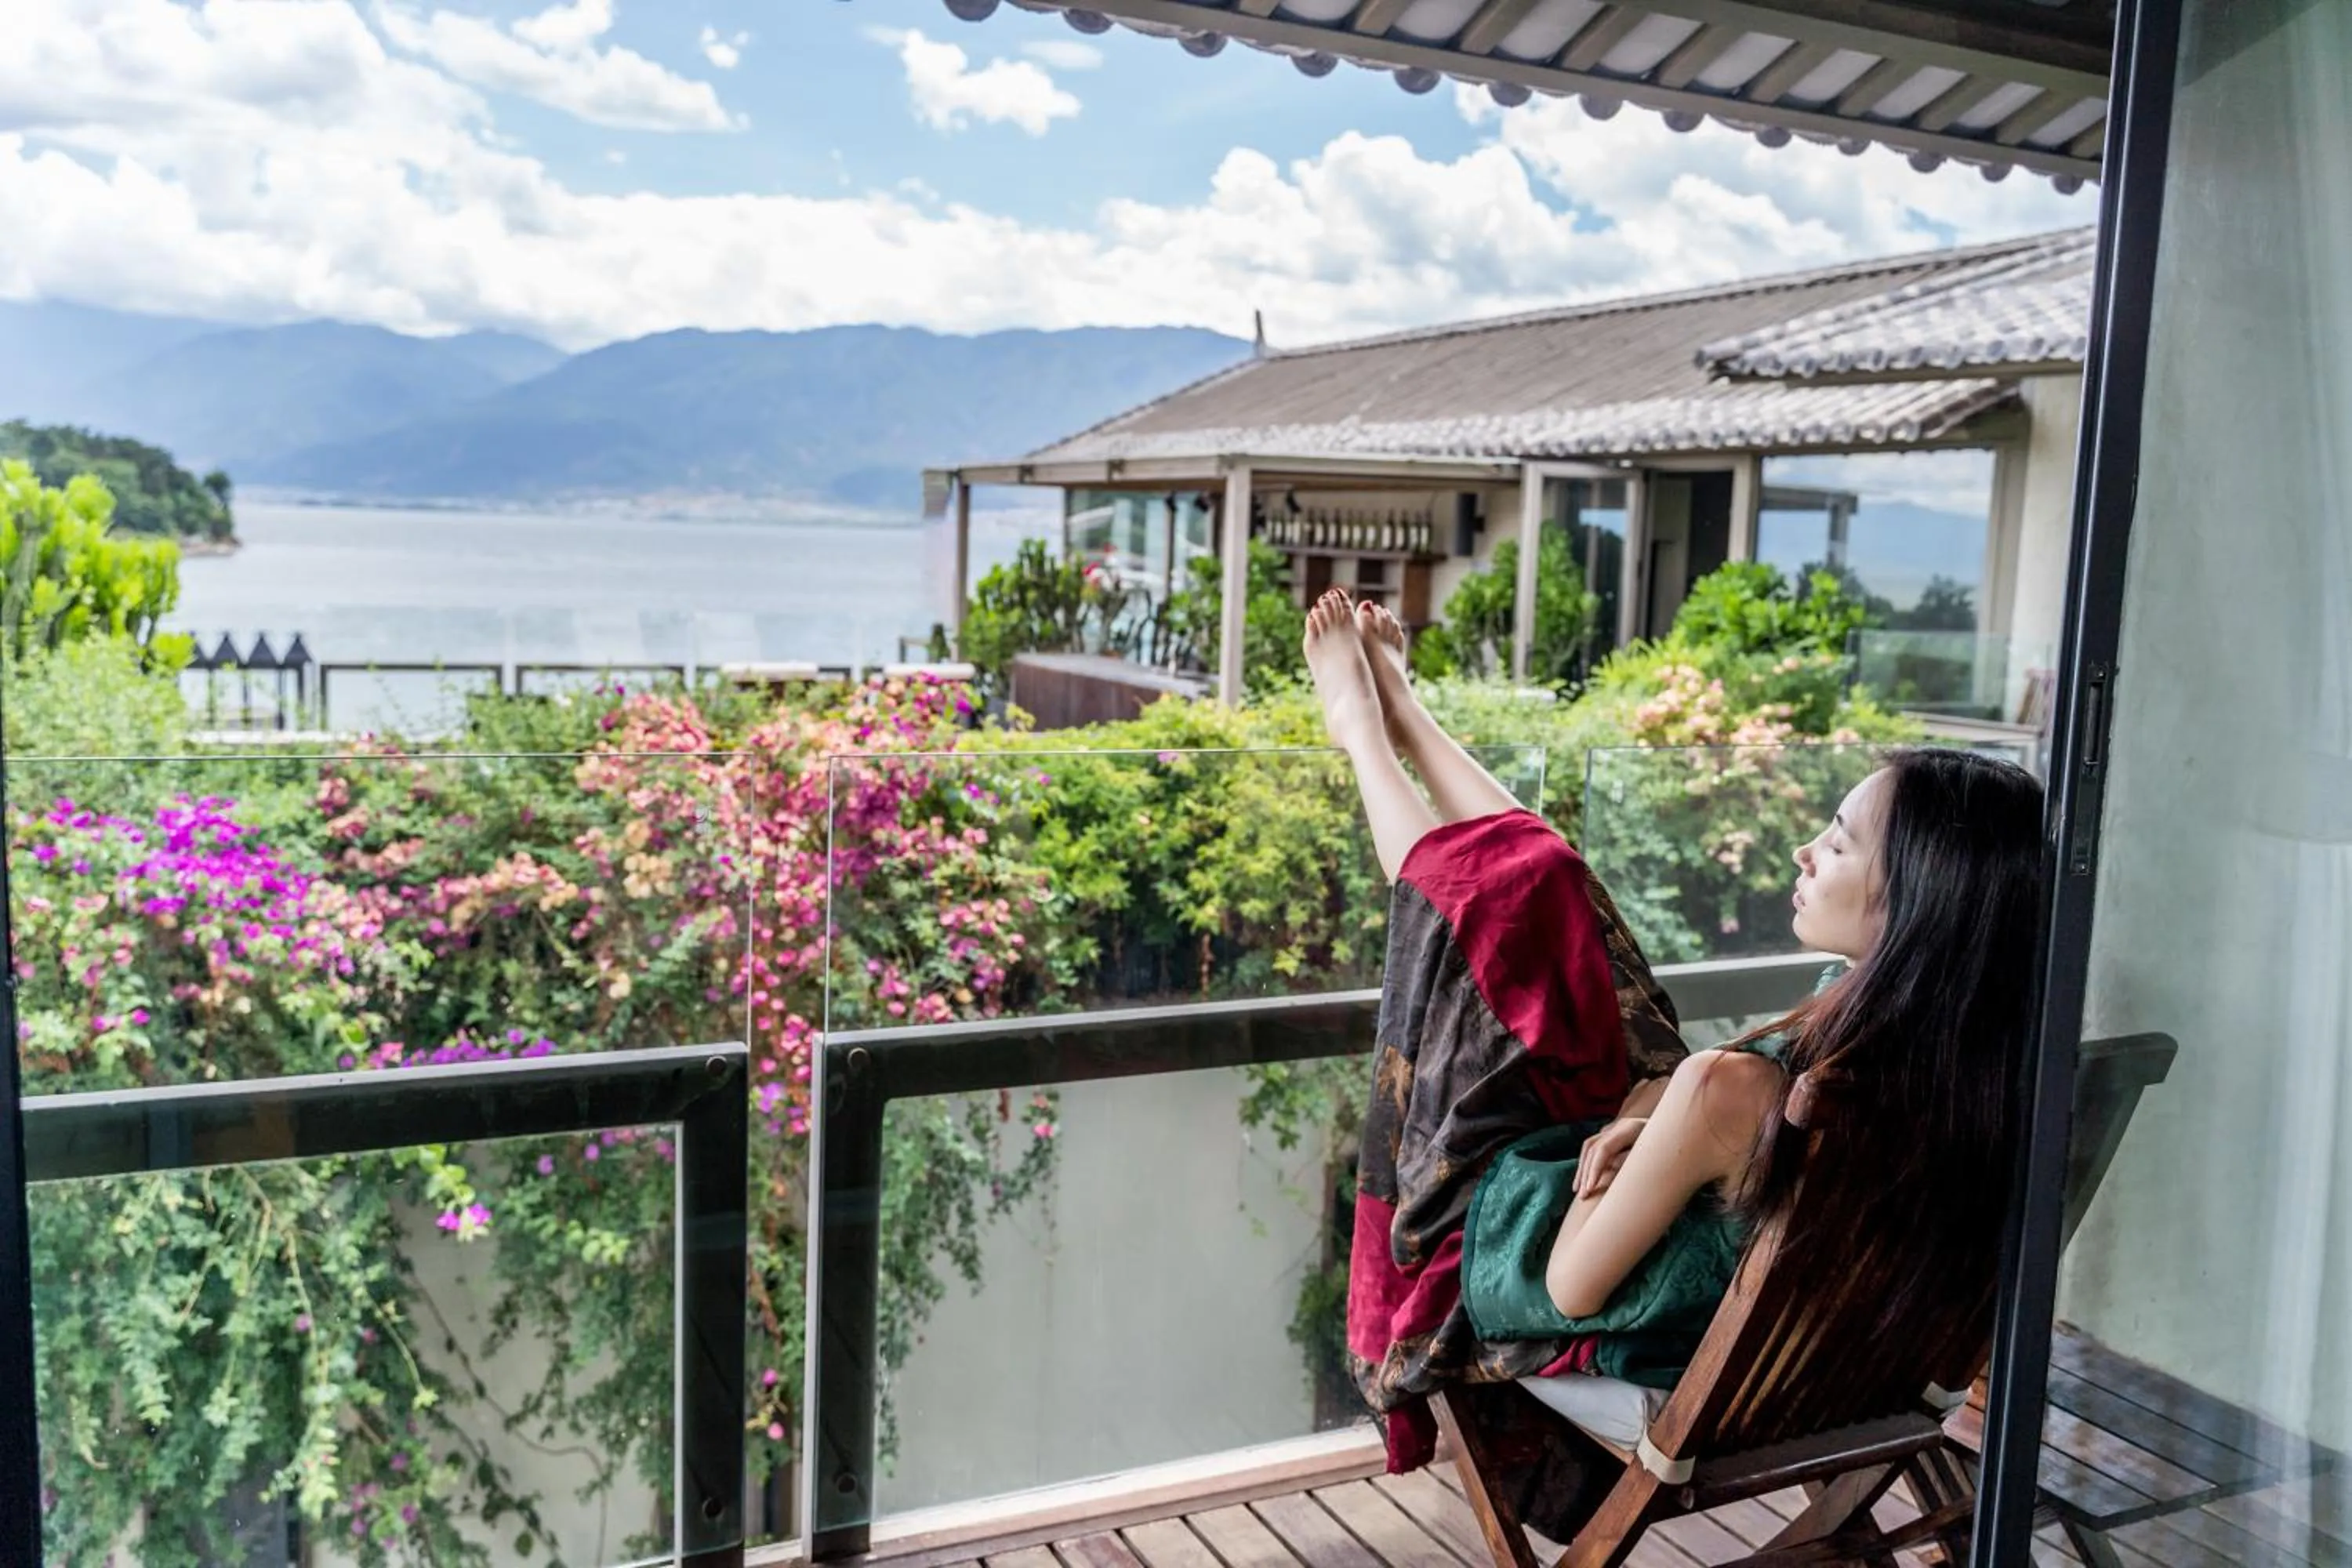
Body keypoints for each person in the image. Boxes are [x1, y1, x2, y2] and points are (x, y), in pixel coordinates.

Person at [1304, 587, 2042, 1534]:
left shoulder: (1735, 1090)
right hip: (1810, 1360)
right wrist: (1647, 1126)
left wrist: (1606, 1169)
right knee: (1553, 890)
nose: (1804, 848)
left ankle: (1364, 728)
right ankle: (1402, 714)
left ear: (1918, 907)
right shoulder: (1986, 1072)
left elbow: (1569, 1288)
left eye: (1840, 839)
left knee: (1486, 922)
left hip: (1597, 1313)